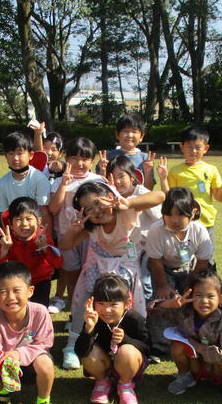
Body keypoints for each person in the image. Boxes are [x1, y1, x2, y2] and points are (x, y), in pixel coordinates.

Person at [58, 181, 165, 369]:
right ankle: (72, 345)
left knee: (123, 305)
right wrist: (74, 230)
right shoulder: (91, 226)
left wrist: (128, 202)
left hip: (125, 268)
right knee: (85, 303)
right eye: (88, 209)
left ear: (109, 196)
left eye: (98, 202)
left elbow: (160, 196)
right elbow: (65, 245)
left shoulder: (126, 211)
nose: (96, 211)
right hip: (97, 267)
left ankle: (131, 343)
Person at [0, 262, 59, 404]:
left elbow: (44, 344)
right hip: (3, 368)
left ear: (30, 291)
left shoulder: (40, 312)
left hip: (29, 368)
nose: (10, 297)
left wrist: (17, 353)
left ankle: (43, 403)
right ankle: (3, 394)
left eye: (16, 290)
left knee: (45, 363)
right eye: (3, 292)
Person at [146, 187, 213, 360]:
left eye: (181, 214)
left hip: (190, 268)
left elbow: (202, 262)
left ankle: (193, 337)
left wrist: (191, 285)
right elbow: (155, 261)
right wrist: (163, 285)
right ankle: (160, 345)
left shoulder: (199, 230)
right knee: (162, 301)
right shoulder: (156, 229)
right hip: (162, 268)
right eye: (169, 215)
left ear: (193, 212)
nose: (174, 220)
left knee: (190, 301)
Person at [159, 268, 222, 404]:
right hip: (195, 363)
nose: (204, 301)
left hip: (216, 366)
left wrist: (198, 347)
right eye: (198, 295)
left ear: (220, 298)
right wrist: (171, 304)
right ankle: (185, 376)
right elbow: (152, 310)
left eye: (210, 296)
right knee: (177, 347)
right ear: (191, 296)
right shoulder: (184, 310)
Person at [48, 137, 104, 313]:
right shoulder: (60, 181)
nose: (80, 163)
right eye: (74, 158)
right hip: (67, 235)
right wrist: (63, 185)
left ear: (92, 160)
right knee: (72, 275)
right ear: (66, 159)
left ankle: (91, 313)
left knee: (90, 276)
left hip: (90, 235)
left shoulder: (99, 181)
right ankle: (75, 313)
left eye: (85, 159)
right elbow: (54, 208)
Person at [75, 274, 150, 404]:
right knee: (89, 352)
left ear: (127, 304)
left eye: (113, 304)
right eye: (101, 304)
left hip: (129, 364)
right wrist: (88, 328)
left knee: (127, 351)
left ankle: (125, 385)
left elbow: (147, 348)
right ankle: (102, 383)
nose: (106, 310)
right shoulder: (95, 318)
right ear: (93, 303)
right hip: (106, 363)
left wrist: (125, 340)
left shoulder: (135, 319)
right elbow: (80, 351)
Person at [159, 126, 222, 249]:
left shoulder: (211, 170)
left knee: (206, 256)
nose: (193, 151)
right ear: (182, 147)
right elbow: (169, 198)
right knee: (183, 256)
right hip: (183, 222)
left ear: (206, 148)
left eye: (198, 147)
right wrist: (163, 179)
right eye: (189, 147)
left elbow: (219, 197)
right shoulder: (175, 171)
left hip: (206, 222)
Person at [107, 154, 161, 301]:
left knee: (144, 281)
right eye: (113, 177)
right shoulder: (109, 195)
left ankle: (147, 307)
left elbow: (159, 219)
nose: (117, 181)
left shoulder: (141, 193)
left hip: (146, 247)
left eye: (121, 176)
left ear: (132, 177)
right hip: (123, 247)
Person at [0, 197, 63, 306]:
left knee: (39, 309)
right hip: (17, 281)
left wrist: (45, 248)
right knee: (17, 310)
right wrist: (3, 251)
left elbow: (58, 264)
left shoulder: (43, 238)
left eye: (29, 219)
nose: (24, 223)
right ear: (10, 224)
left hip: (41, 281)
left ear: (38, 221)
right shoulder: (8, 240)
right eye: (18, 219)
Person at [0, 131, 53, 237]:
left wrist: (47, 239)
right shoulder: (2, 182)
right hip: (15, 233)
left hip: (37, 234)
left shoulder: (39, 179)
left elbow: (44, 212)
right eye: (11, 153)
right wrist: (8, 237)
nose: (15, 158)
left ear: (31, 155)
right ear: (5, 156)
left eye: (20, 153)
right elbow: (2, 214)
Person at [97, 113, 155, 188]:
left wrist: (148, 172)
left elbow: (149, 189)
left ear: (141, 136)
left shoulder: (146, 159)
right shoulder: (107, 158)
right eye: (126, 131)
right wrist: (102, 170)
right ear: (117, 134)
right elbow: (100, 187)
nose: (130, 135)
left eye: (134, 132)